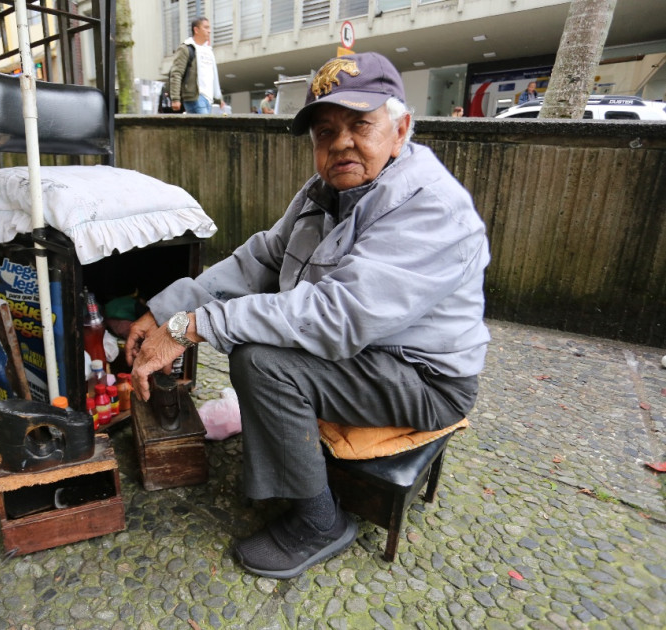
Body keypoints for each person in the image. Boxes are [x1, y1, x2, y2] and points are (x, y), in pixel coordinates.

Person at [126, 52, 489, 579]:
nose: (340, 142)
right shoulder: (324, 192)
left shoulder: (431, 206)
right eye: (325, 131)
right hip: (366, 359)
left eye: (360, 124)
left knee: (262, 361)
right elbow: (260, 259)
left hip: (424, 380)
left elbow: (337, 315)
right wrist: (165, 309)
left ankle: (321, 521)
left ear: (401, 128)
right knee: (260, 341)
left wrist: (191, 327)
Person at [168, 17, 225, 114]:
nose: (209, 31)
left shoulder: (208, 50)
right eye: (206, 28)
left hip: (208, 99)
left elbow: (212, 77)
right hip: (195, 98)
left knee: (200, 128)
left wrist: (219, 99)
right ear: (196, 30)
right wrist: (175, 98)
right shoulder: (186, 48)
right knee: (204, 128)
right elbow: (176, 73)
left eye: (209, 28)